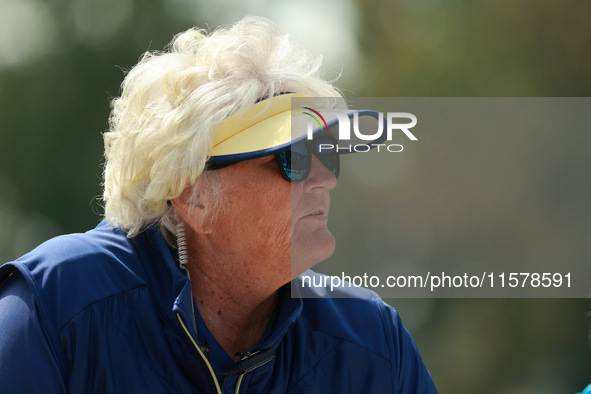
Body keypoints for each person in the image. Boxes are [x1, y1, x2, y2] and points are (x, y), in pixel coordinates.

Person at [0, 16, 437, 393]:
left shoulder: (374, 341)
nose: (325, 178)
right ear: (193, 197)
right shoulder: (53, 307)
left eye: (328, 153)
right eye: (292, 159)